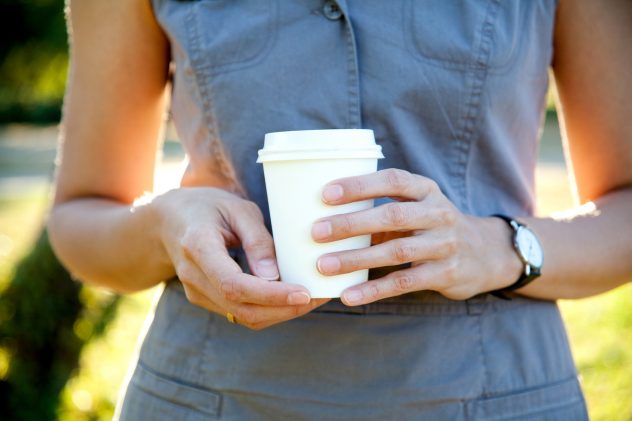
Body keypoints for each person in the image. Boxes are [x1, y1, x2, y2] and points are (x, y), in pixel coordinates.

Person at [48, 0, 631, 419]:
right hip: (212, 397)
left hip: (496, 394)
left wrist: (501, 247)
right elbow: (82, 214)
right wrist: (162, 228)